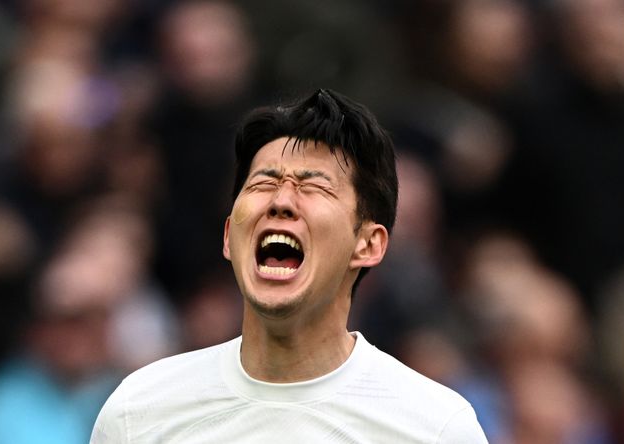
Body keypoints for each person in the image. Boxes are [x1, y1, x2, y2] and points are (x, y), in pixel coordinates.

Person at [90, 89, 488, 443]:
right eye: (263, 183)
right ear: (229, 236)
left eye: (314, 187)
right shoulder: (136, 413)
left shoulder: (435, 428)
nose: (281, 201)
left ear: (368, 244)